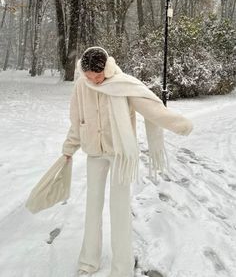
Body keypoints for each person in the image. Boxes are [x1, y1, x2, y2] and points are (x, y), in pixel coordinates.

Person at [62, 46, 193, 277]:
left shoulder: (123, 84)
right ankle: (88, 261)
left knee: (119, 210)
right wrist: (68, 148)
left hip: (120, 155)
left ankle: (121, 268)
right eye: (90, 77)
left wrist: (180, 125)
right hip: (94, 153)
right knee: (92, 208)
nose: (95, 81)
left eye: (98, 76)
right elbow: (77, 120)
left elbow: (152, 108)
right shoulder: (82, 84)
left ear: (106, 69)